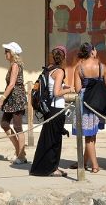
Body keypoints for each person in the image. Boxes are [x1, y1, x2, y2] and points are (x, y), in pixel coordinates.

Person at [30, 46, 71, 177]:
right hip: (56, 108)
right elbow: (57, 92)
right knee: (55, 139)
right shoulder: (60, 71)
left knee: (47, 138)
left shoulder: (48, 69)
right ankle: (52, 168)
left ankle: (42, 167)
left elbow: (52, 86)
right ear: (63, 57)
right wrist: (70, 89)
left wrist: (62, 86)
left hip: (48, 108)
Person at [72, 42, 106, 173]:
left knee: (88, 136)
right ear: (92, 52)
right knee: (92, 135)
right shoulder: (102, 67)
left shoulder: (79, 68)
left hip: (85, 102)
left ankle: (95, 165)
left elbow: (77, 89)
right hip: (98, 102)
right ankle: (84, 161)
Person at [0, 41, 28, 164]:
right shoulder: (12, 65)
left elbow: (12, 84)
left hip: (16, 98)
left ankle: (21, 155)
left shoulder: (15, 65)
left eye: (7, 51)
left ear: (12, 53)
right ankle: (19, 150)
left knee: (18, 126)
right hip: (11, 98)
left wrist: (1, 99)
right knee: (4, 123)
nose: (5, 54)